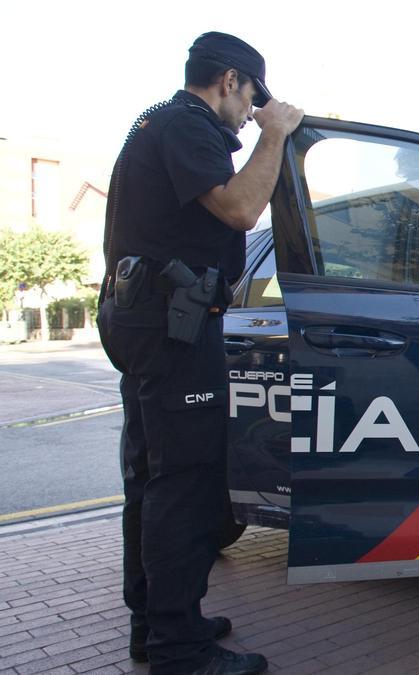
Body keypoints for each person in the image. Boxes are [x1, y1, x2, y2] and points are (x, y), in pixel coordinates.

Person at [97, 32, 302, 675]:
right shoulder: (189, 125)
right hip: (173, 327)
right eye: (252, 100)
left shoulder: (158, 123)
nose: (250, 115)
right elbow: (241, 208)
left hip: (149, 320)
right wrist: (277, 134)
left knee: (151, 478)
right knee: (184, 484)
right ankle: (180, 649)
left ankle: (155, 624)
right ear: (230, 81)